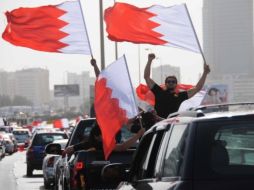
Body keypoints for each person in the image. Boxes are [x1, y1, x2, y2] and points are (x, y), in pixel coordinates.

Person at [144, 53, 210, 118]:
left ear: (176, 84)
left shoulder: (180, 96)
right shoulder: (159, 91)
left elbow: (197, 88)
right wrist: (149, 61)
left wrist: (205, 73)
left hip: (172, 124)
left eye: (173, 81)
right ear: (165, 83)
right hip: (158, 123)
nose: (171, 83)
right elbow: (147, 77)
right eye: (168, 81)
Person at [64, 124, 145, 155]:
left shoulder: (90, 144)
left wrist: (73, 147)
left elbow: (81, 145)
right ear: (97, 136)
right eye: (105, 134)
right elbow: (122, 147)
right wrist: (138, 135)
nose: (109, 136)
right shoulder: (102, 145)